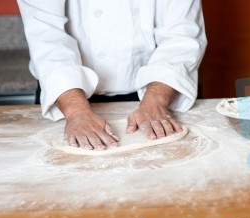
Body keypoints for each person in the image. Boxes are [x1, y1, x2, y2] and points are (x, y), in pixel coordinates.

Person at [17, 0, 207, 150]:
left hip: (157, 89)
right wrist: (76, 112)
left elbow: (182, 33)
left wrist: (157, 99)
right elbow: (46, 37)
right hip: (65, 93)